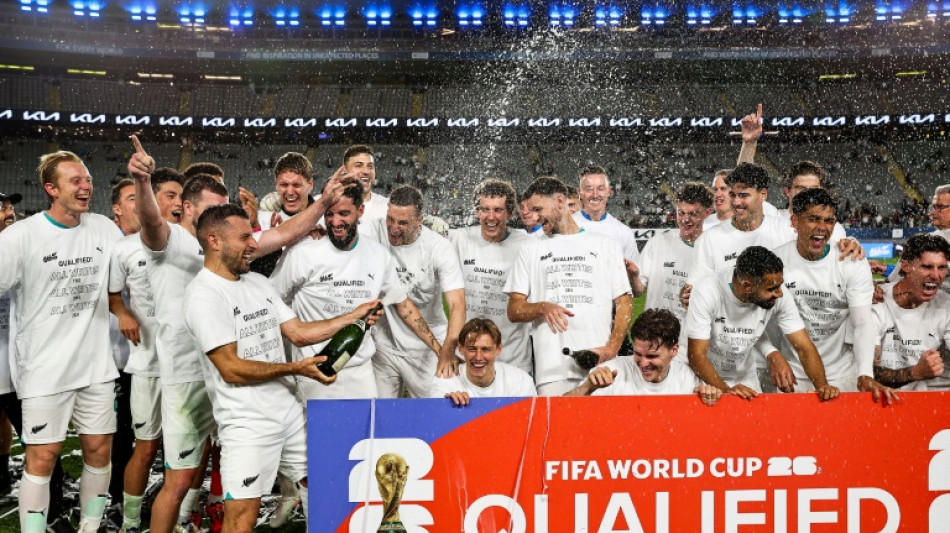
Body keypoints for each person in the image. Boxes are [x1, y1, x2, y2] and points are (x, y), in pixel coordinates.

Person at [126, 136, 350, 533]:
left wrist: (323, 203)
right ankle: (142, 524)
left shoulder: (232, 245)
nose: (222, 213)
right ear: (189, 208)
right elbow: (150, 222)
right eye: (212, 207)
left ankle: (205, 520)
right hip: (188, 375)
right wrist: (143, 182)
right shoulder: (170, 240)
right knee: (180, 476)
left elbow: (281, 236)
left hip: (234, 378)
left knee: (224, 464)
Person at [182, 203, 382, 532]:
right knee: (241, 519)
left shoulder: (256, 283)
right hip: (247, 423)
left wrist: (353, 316)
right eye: (244, 237)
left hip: (288, 410)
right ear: (214, 241)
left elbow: (298, 332)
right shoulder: (204, 296)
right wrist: (295, 369)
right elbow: (230, 368)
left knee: (324, 483)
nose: (254, 244)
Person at [0, 151, 123, 532]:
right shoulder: (21, 236)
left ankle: (90, 527)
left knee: (99, 450)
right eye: (76, 181)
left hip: (96, 366)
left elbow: (124, 278)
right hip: (43, 368)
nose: (86, 186)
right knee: (43, 457)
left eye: (88, 179)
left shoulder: (104, 229)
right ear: (51, 188)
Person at [271, 182, 439, 400]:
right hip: (315, 369)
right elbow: (271, 297)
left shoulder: (378, 255)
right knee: (319, 424)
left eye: (344, 213)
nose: (335, 222)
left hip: (360, 371)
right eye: (329, 214)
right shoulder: (303, 253)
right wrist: (296, 331)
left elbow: (403, 304)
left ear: (360, 210)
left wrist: (439, 348)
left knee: (367, 424)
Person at [506, 176, 633, 396]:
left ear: (559, 201)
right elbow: (514, 309)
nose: (534, 217)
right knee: (557, 419)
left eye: (538, 209)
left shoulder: (606, 245)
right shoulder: (530, 250)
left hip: (601, 364)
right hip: (552, 370)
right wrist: (543, 307)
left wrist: (611, 349)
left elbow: (624, 302)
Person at [108, 168, 184, 532]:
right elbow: (112, 294)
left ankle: (178, 517)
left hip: (186, 366)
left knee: (181, 450)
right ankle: (130, 521)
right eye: (169, 195)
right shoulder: (123, 248)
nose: (177, 202)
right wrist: (123, 313)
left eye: (181, 196)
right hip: (147, 362)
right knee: (146, 447)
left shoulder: (192, 241)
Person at [770, 189, 895, 402]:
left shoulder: (851, 261)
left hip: (843, 374)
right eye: (813, 219)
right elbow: (759, 319)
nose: (822, 227)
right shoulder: (776, 262)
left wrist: (865, 373)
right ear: (794, 221)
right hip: (792, 375)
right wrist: (772, 354)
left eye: (828, 221)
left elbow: (862, 323)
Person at [685, 246, 839, 401]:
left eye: (780, 285)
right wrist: (727, 391)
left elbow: (804, 347)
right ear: (747, 286)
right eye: (771, 289)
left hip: (743, 376)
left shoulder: (778, 295)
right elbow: (697, 356)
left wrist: (822, 386)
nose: (780, 293)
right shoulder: (707, 291)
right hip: (702, 376)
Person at [362, 185, 465, 397]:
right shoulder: (373, 231)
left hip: (427, 349)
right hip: (384, 346)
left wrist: (447, 349)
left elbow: (457, 304)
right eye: (390, 219)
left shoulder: (438, 248)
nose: (393, 228)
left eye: (402, 223)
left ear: (419, 221)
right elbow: (340, 228)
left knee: (435, 410)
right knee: (382, 412)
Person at [448, 179, 533, 373]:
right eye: (485, 209)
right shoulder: (459, 239)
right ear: (477, 212)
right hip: (471, 355)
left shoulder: (527, 244)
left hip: (514, 358)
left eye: (498, 210)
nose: (490, 217)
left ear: (509, 213)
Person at [566, 309, 722, 406]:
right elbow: (561, 411)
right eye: (638, 354)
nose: (643, 363)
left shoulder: (687, 377)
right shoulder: (612, 371)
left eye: (652, 356)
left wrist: (710, 396)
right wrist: (587, 388)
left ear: (674, 350)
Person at [638, 182, 713, 348]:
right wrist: (632, 276)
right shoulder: (657, 242)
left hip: (690, 342)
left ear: (707, 213)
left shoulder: (712, 250)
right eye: (681, 213)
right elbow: (638, 290)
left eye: (693, 214)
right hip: (653, 338)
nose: (686, 219)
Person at [873, 233, 950, 391]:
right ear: (906, 266)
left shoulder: (945, 304)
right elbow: (868, 375)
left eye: (942, 267)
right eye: (926, 267)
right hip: (872, 398)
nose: (936, 276)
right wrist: (916, 372)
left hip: (918, 400)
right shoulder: (876, 301)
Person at [430, 318, 537, 406]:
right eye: (472, 349)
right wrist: (447, 406)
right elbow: (436, 419)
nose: (478, 357)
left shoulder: (520, 381)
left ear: (498, 349)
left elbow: (532, 422)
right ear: (461, 349)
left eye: (485, 349)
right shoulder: (445, 381)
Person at [250, 152, 317, 277]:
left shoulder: (325, 218)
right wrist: (273, 245)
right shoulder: (264, 220)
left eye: (296, 185)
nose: (290, 192)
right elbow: (255, 274)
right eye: (284, 185)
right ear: (276, 185)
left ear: (310, 185)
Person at [572, 165, 642, 266]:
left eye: (600, 188)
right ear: (580, 193)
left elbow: (634, 272)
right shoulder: (566, 227)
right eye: (589, 189)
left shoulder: (624, 233)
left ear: (609, 191)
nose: (595, 195)